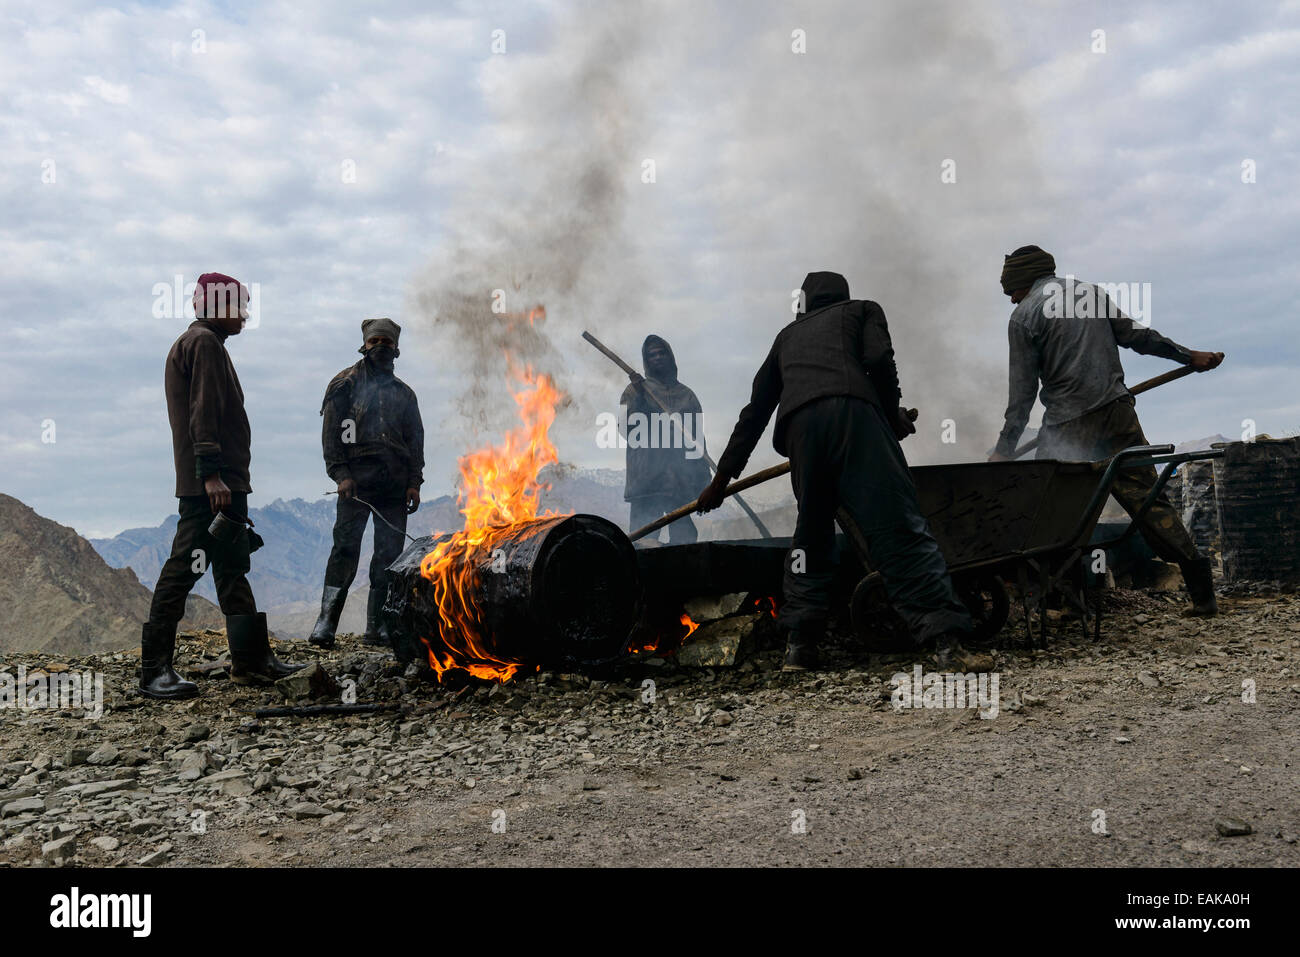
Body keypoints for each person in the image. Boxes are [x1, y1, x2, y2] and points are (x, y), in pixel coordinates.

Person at [696, 271, 981, 671]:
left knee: (810, 537)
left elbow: (755, 412)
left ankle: (800, 648)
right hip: (855, 419)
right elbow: (879, 359)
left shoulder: (786, 337)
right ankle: (947, 645)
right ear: (843, 295)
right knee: (897, 527)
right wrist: (891, 415)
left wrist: (720, 481)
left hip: (801, 433)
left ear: (806, 303)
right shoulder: (864, 310)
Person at [989, 245, 1224, 616]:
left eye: (1011, 291)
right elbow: (1137, 337)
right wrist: (1187, 354)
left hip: (1068, 428)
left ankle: (1065, 601)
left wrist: (1004, 448)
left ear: (1023, 282)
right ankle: (1203, 596)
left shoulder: (1023, 317)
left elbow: (1021, 396)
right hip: (1118, 415)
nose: (1011, 299)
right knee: (1149, 502)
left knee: (1053, 513)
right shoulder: (1088, 293)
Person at [140, 273, 302, 699]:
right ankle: (154, 671)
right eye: (240, 306)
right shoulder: (205, 344)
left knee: (233, 567)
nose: (246, 314)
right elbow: (203, 412)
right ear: (217, 306)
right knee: (183, 569)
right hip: (210, 487)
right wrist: (211, 474)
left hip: (223, 484)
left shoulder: (203, 344)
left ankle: (252, 662)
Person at [309, 318, 424, 648]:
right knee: (345, 550)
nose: (380, 347)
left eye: (386, 342)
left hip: (394, 487)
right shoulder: (344, 385)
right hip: (355, 486)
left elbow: (416, 441)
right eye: (374, 341)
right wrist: (341, 475)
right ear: (364, 343)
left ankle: (379, 627)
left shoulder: (405, 395)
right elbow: (331, 437)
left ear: (396, 348)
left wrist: (414, 481)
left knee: (389, 557)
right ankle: (326, 625)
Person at [620, 335, 712, 544]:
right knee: (642, 541)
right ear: (646, 360)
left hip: (679, 481)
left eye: (662, 353)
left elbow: (697, 441)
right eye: (652, 355)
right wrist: (641, 399)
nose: (658, 357)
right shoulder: (634, 391)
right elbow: (625, 430)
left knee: (685, 540)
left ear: (670, 357)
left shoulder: (687, 395)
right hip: (646, 481)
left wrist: (704, 483)